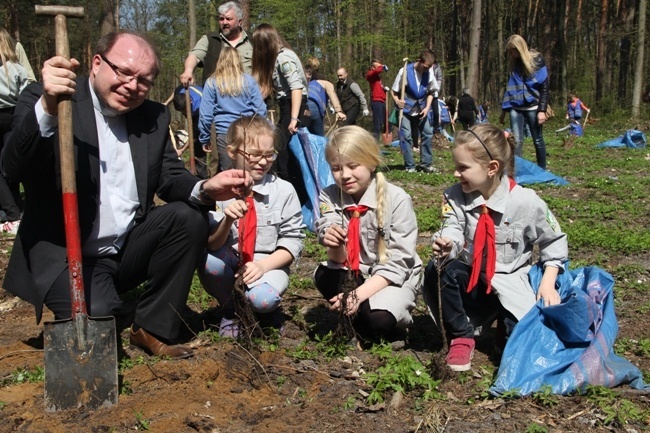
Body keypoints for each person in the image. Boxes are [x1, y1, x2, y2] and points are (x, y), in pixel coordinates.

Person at [1, 31, 251, 360]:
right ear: (96, 63)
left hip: (124, 248)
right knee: (101, 312)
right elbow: (12, 166)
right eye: (124, 72)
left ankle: (151, 327)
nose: (132, 86)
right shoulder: (51, 99)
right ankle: (96, 303)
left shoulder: (152, 118)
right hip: (66, 255)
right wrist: (47, 105)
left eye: (144, 81)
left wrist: (206, 187)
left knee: (190, 218)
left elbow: (169, 176)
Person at [421, 124, 568, 371]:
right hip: (473, 281)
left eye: (463, 168)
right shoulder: (454, 196)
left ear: (492, 168)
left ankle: (505, 322)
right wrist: (448, 243)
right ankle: (461, 336)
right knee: (439, 268)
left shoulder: (526, 202)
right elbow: (453, 225)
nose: (456, 174)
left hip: (512, 283)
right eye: (455, 167)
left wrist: (548, 281)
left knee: (516, 353)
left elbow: (553, 240)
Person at [198, 116, 305, 337]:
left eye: (269, 155)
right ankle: (231, 310)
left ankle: (265, 312)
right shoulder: (219, 190)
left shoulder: (284, 191)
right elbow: (212, 243)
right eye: (255, 155)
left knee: (262, 300)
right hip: (230, 262)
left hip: (268, 265)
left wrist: (263, 266)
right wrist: (227, 220)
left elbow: (292, 242)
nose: (263, 162)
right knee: (210, 262)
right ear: (232, 152)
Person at [314, 126, 421, 342]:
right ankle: (356, 318)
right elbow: (338, 259)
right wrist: (333, 241)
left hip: (390, 276)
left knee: (379, 319)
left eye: (353, 166)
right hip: (354, 271)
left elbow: (398, 262)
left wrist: (358, 295)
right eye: (336, 168)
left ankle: (376, 319)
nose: (344, 175)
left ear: (371, 163)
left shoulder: (397, 199)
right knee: (324, 275)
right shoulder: (329, 196)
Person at [251, 23, 311, 198]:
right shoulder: (277, 58)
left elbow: (296, 88)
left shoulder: (284, 58)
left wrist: (293, 118)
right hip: (286, 107)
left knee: (285, 158)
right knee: (281, 152)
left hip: (294, 109)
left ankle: (295, 196)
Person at [198, 46, 266, 174]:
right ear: (238, 61)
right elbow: (260, 110)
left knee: (229, 172)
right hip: (247, 132)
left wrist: (205, 138)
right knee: (249, 169)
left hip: (224, 133)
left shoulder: (212, 83)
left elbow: (205, 115)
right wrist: (258, 130)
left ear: (220, 61)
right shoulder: (249, 81)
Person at [499, 34, 549, 169]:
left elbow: (544, 87)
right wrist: (504, 111)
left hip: (533, 106)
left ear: (518, 48)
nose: (510, 54)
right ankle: (517, 171)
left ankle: (542, 169)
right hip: (516, 107)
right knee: (517, 141)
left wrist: (542, 110)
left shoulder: (536, 60)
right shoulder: (514, 65)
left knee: (537, 140)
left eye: (512, 50)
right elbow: (510, 89)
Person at [180, 1, 253, 86]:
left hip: (249, 95)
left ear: (239, 22)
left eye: (229, 19)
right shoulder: (210, 39)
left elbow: (267, 64)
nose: (224, 22)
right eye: (221, 19)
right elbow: (194, 55)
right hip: (215, 96)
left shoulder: (254, 40)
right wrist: (188, 71)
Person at [0, 27, 29, 234]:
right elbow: (25, 91)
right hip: (14, 115)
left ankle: (11, 214)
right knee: (10, 162)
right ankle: (18, 208)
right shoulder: (17, 68)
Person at [391, 50, 439, 173]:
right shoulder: (405, 71)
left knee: (427, 133)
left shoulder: (429, 73)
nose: (426, 69)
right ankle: (410, 166)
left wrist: (427, 107)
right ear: (419, 61)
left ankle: (426, 164)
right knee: (406, 136)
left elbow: (431, 92)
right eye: (424, 66)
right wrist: (397, 101)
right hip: (406, 108)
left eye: (428, 67)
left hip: (422, 108)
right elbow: (394, 91)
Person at [172, 83, 209, 179]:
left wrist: (182, 150)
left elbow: (193, 137)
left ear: (190, 102)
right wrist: (165, 104)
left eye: (185, 111)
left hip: (212, 113)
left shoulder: (200, 110)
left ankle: (201, 176)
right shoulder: (179, 90)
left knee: (198, 144)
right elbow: (174, 93)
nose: (184, 114)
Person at [305, 57, 345, 136]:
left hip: (304, 107)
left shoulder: (305, 79)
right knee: (318, 136)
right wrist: (338, 111)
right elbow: (331, 93)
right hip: (315, 107)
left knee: (305, 135)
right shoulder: (323, 80)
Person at [365, 59, 388, 138]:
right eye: (377, 66)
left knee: (386, 120)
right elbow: (376, 71)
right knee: (377, 122)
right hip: (376, 101)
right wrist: (382, 66)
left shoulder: (377, 77)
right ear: (373, 67)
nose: (380, 68)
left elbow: (378, 88)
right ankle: (376, 139)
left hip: (382, 100)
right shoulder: (371, 74)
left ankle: (386, 138)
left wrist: (384, 90)